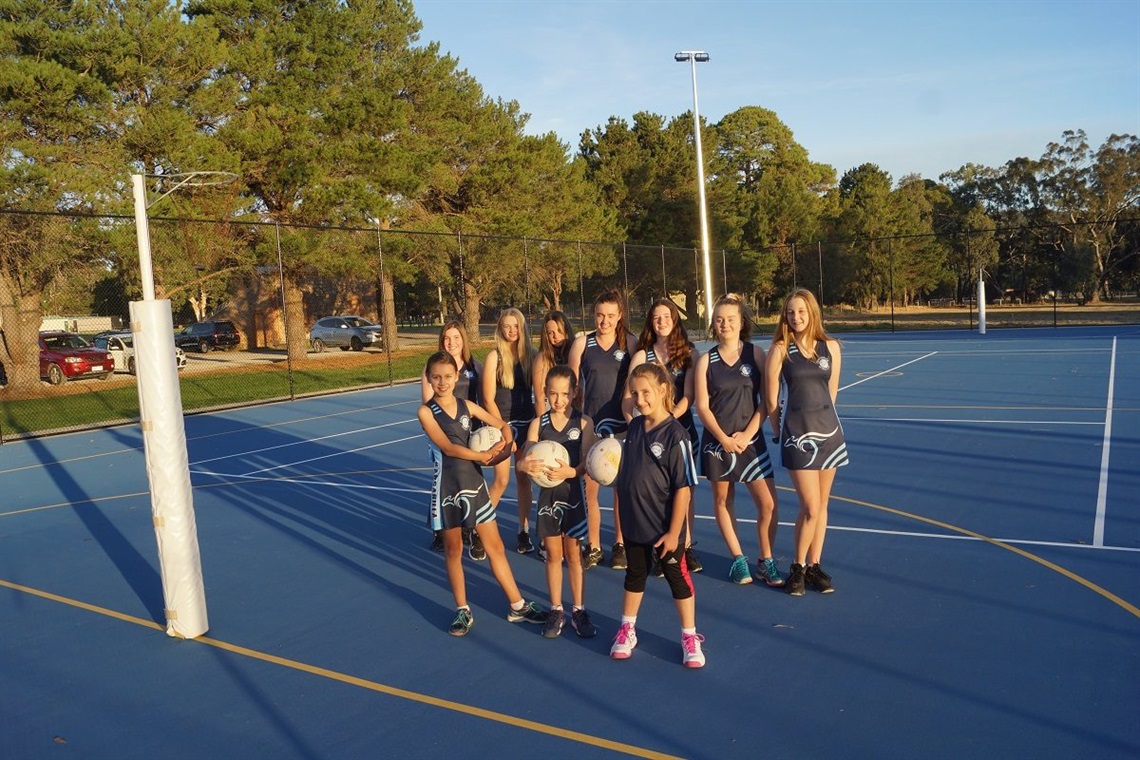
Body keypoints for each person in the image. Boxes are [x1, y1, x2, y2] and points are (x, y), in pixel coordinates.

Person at [417, 351, 548, 636]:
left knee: (496, 547)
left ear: (457, 378)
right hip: (447, 489)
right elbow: (448, 447)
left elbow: (502, 425)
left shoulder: (467, 406)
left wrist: (507, 443)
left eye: (448, 377)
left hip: (474, 486)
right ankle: (462, 610)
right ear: (428, 378)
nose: (442, 382)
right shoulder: (426, 412)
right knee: (454, 550)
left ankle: (517, 605)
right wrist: (483, 456)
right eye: (436, 377)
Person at [608, 363, 704, 668]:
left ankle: (689, 636)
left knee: (678, 578)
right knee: (634, 574)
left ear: (663, 390)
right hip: (635, 522)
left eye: (646, 392)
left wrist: (675, 531)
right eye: (634, 393)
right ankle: (627, 628)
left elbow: (684, 489)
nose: (639, 399)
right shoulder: (634, 428)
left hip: (665, 527)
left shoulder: (677, 435)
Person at [693, 293, 782, 587]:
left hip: (750, 442)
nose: (725, 324)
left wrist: (748, 433)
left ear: (741, 322)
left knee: (768, 504)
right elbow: (702, 407)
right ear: (713, 324)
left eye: (730, 319)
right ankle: (738, 559)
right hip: (718, 444)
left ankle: (766, 560)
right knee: (722, 500)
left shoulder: (756, 354)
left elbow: (766, 401)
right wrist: (723, 438)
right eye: (719, 319)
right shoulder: (706, 361)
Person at [765, 288, 849, 596]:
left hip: (829, 435)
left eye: (801, 311)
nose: (796, 317)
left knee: (822, 505)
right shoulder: (780, 350)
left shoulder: (831, 348)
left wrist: (824, 423)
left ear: (812, 312)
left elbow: (833, 391)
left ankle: (814, 565)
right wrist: (781, 432)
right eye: (790, 312)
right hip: (797, 437)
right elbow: (772, 400)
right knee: (810, 506)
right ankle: (797, 567)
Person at [517, 365, 599, 639]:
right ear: (545, 393)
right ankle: (556, 609)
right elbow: (524, 458)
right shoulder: (537, 424)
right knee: (553, 555)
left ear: (575, 392)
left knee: (574, 556)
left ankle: (578, 609)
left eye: (565, 393)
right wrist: (525, 464)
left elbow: (587, 463)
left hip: (573, 496)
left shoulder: (584, 422)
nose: (559, 400)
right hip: (548, 499)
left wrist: (571, 472)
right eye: (553, 394)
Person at [623, 298, 703, 574]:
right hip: (648, 437)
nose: (662, 321)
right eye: (656, 317)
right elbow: (627, 399)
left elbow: (689, 396)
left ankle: (685, 546)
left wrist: (668, 421)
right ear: (651, 322)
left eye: (666, 316)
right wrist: (640, 424)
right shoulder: (642, 356)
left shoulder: (688, 353)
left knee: (684, 491)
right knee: (655, 494)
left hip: (679, 430)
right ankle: (655, 547)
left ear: (675, 319)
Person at [568, 289, 637, 571]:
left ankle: (620, 544)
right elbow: (573, 386)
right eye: (599, 315)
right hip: (591, 426)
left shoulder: (630, 343)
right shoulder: (582, 343)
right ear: (593, 314)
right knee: (590, 489)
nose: (604, 321)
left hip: (621, 427)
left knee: (621, 489)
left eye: (610, 315)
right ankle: (594, 545)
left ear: (620, 315)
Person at [422, 320, 485, 558]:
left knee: (470, 481)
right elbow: (426, 403)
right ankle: (441, 529)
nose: (452, 342)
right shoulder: (434, 367)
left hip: (469, 432)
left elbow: (479, 400)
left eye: (456, 337)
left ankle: (471, 526)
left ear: (463, 340)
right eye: (447, 338)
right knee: (443, 482)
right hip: (442, 432)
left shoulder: (474, 366)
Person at [482, 308, 538, 556]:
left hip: (527, 425)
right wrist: (504, 430)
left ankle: (522, 530)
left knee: (524, 479)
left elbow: (541, 394)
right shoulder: (494, 357)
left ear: (522, 328)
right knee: (502, 480)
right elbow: (487, 398)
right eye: (506, 326)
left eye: (515, 326)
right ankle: (478, 528)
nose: (511, 330)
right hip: (502, 424)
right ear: (500, 329)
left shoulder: (532, 357)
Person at [532, 310, 573, 418]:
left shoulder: (576, 351)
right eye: (551, 333)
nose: (556, 336)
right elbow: (539, 398)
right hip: (552, 412)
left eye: (559, 330)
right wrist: (543, 427)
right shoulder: (543, 358)